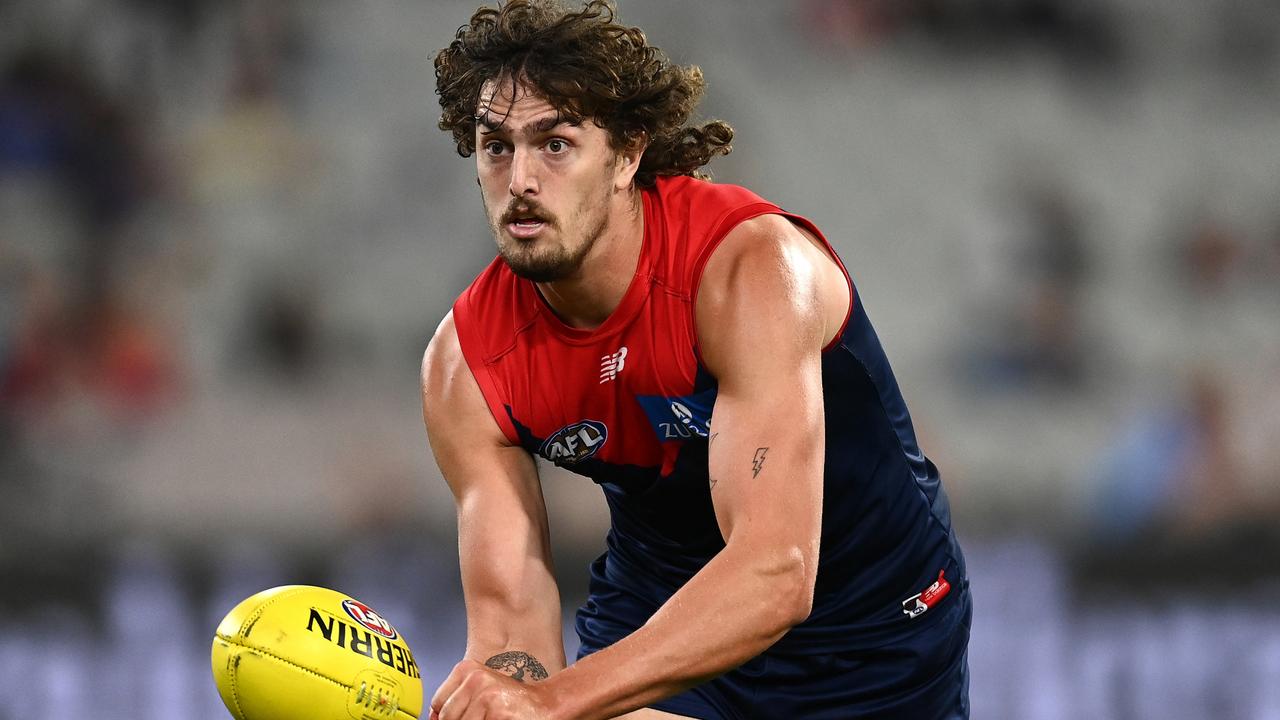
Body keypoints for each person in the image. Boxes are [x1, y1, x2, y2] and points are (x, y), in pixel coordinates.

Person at [420, 2, 970, 718]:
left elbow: (776, 573)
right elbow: (511, 632)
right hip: (666, 630)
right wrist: (509, 697)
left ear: (627, 153)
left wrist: (552, 703)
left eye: (554, 144)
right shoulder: (466, 365)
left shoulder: (749, 270)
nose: (520, 178)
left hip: (873, 637)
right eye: (496, 147)